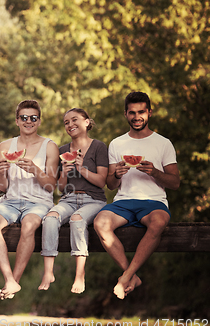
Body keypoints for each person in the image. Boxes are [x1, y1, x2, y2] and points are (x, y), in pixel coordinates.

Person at [94, 91, 180, 299]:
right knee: (99, 223)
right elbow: (111, 185)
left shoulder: (163, 143)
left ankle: (125, 277)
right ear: (125, 114)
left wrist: (155, 172)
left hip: (153, 202)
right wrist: (116, 174)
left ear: (149, 113)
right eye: (132, 112)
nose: (136, 116)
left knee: (159, 222)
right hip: (123, 202)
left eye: (141, 112)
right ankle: (130, 275)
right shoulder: (116, 144)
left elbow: (175, 183)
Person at [0, 99, 59, 300]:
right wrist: (0, 173)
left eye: (33, 118)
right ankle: (8, 278)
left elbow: (52, 185)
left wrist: (35, 170)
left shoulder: (50, 146)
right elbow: (2, 188)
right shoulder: (5, 146)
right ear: (17, 121)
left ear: (39, 121)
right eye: (24, 117)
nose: (28, 121)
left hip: (39, 202)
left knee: (29, 225)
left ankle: (13, 282)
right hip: (11, 201)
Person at [39, 108, 108, 294]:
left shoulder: (99, 147)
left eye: (74, 120)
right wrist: (65, 173)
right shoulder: (61, 150)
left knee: (77, 220)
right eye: (66, 122)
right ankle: (48, 272)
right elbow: (60, 187)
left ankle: (79, 274)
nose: (70, 125)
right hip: (68, 198)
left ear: (87, 122)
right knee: (50, 218)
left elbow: (102, 182)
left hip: (93, 200)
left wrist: (82, 168)